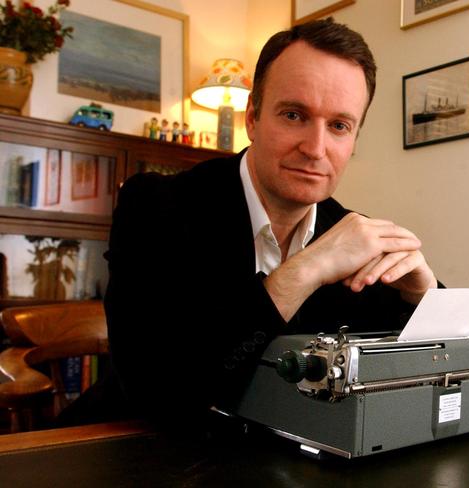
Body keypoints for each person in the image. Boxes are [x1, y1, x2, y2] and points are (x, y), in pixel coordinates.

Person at [104, 18, 439, 431]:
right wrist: (307, 269)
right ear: (252, 118)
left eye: (338, 126)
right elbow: (160, 391)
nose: (316, 149)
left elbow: (427, 383)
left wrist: (425, 299)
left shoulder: (355, 237)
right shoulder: (156, 206)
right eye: (295, 115)